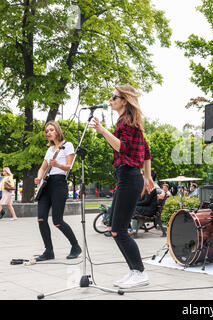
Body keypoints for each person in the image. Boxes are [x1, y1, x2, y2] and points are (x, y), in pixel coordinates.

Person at [89, 84, 154, 289]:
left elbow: (122, 147)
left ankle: (140, 272)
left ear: (124, 100)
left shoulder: (127, 121)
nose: (110, 99)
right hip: (125, 177)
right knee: (113, 228)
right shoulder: (126, 121)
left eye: (114, 97)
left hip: (128, 176)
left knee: (119, 230)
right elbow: (147, 151)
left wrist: (101, 130)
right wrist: (148, 176)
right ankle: (134, 271)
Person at [34, 121, 81, 261]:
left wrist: (58, 164)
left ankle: (75, 246)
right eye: (46, 130)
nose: (48, 132)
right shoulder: (49, 150)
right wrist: (38, 177)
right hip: (46, 185)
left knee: (57, 220)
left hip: (59, 184)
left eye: (51, 130)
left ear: (57, 131)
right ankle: (48, 251)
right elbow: (43, 168)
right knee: (41, 218)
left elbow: (68, 167)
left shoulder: (68, 145)